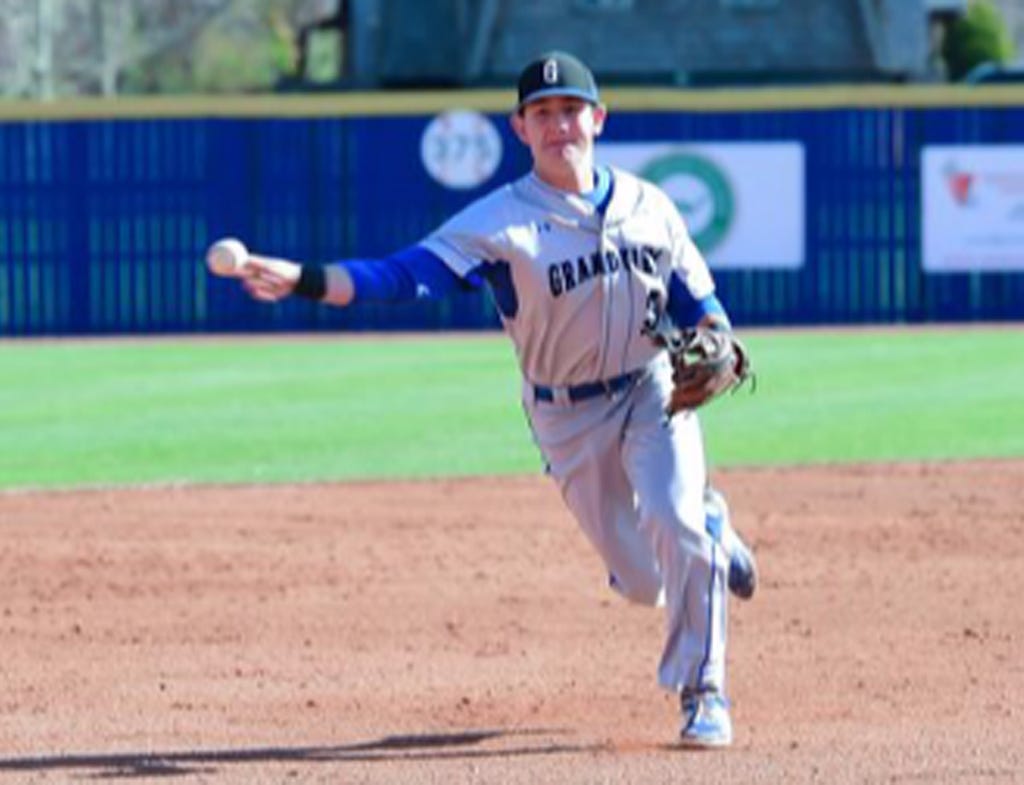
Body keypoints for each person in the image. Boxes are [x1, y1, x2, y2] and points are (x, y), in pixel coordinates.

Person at [233, 50, 757, 748]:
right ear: (519, 128)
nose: (558, 125)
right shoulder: (497, 224)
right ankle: (714, 526)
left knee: (675, 519)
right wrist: (302, 278)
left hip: (651, 390)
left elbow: (703, 302)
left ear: (597, 119)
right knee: (640, 581)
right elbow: (398, 277)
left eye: (570, 110)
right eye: (542, 113)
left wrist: (718, 334)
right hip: (565, 416)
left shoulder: (650, 207)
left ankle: (703, 691)